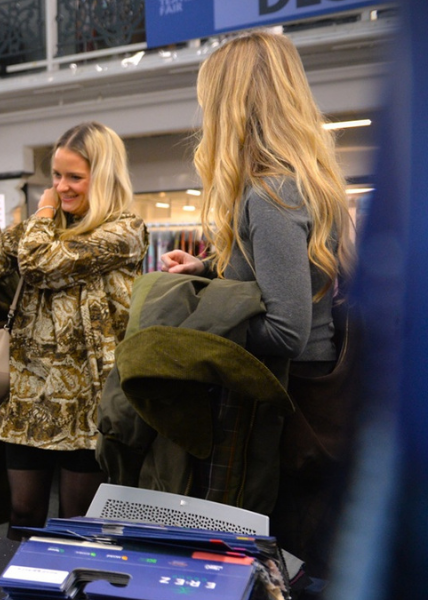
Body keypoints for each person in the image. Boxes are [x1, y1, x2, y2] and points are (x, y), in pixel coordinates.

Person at [160, 31, 354, 565]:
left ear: (234, 104)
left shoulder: (269, 193)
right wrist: (207, 269)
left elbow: (287, 330)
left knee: (275, 561)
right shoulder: (302, 182)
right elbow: (287, 280)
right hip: (307, 396)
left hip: (286, 405)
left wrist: (202, 327)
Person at [0, 122, 146, 539]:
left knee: (78, 522)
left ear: (105, 175)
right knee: (23, 515)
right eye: (56, 176)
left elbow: (39, 263)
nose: (60, 187)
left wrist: (40, 213)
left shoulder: (123, 231)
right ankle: (19, 599)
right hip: (29, 397)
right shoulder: (43, 227)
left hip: (87, 404)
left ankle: (72, 599)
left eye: (74, 176)